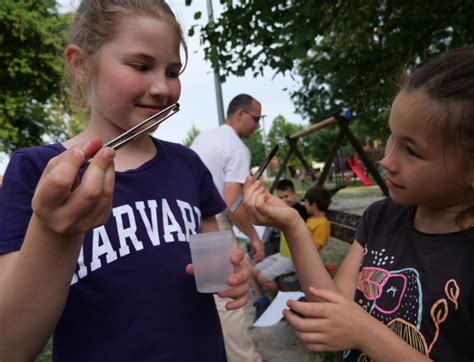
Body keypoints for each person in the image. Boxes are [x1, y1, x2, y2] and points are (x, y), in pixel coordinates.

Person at [0, 1, 251, 361]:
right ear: (80, 64)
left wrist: (233, 272)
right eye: (141, 66)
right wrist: (54, 232)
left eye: (173, 71)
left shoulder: (187, 165)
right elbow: (10, 346)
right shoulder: (36, 171)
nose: (163, 88)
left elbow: (217, 257)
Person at [242, 46, 474, 361]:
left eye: (412, 151)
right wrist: (292, 225)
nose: (387, 161)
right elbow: (333, 306)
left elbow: (354, 326)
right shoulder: (381, 216)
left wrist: (365, 333)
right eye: (391, 137)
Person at [191, 93, 264, 362]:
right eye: (256, 119)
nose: (257, 125)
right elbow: (231, 201)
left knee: (207, 299)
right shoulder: (236, 147)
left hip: (190, 223)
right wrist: (254, 235)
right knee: (229, 300)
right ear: (240, 114)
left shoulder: (204, 138)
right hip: (214, 224)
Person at [252, 183, 330, 320]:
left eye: (306, 202)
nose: (304, 204)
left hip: (296, 259)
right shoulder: (311, 220)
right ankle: (280, 300)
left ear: (314, 206)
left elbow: (315, 248)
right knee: (255, 271)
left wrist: (298, 235)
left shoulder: (322, 224)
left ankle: (283, 301)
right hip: (286, 255)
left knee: (262, 277)